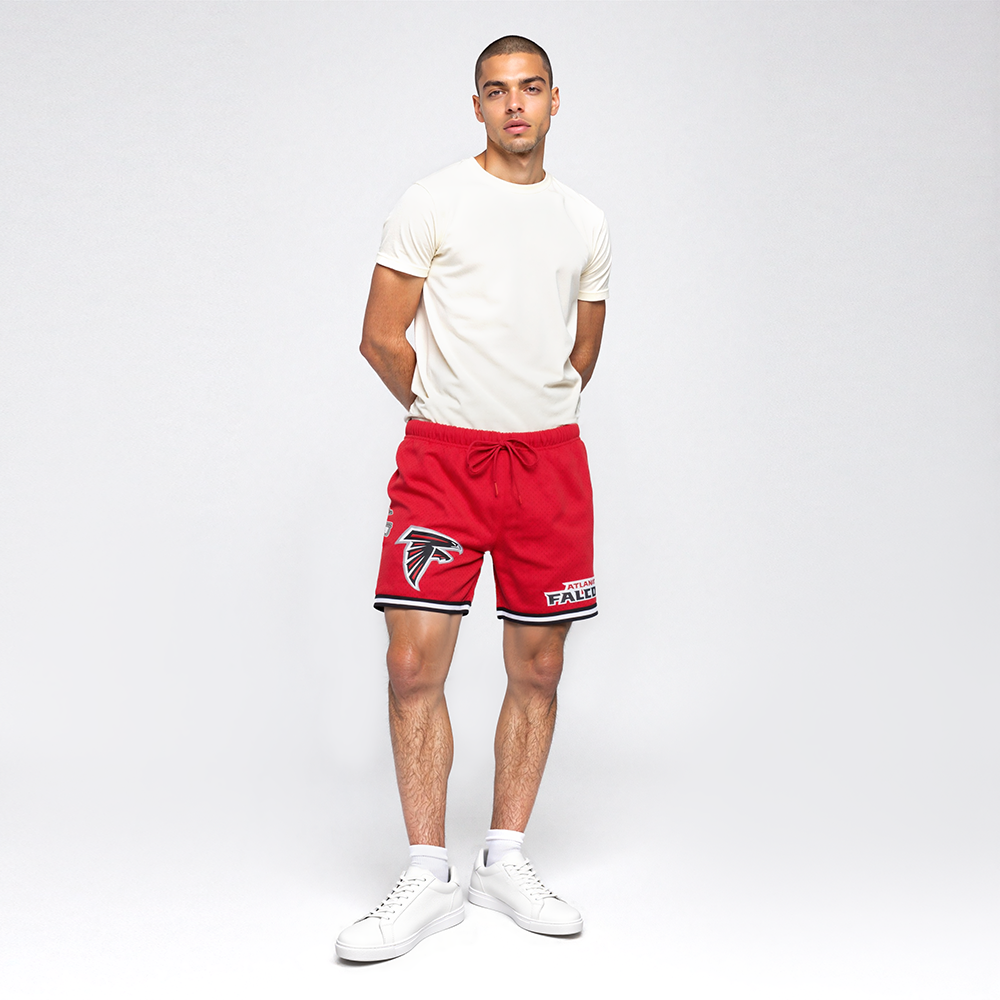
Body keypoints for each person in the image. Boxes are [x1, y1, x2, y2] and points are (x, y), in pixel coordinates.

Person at [335, 34, 611, 962]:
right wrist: (447, 409)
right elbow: (381, 337)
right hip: (444, 462)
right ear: (478, 105)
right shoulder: (432, 201)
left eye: (530, 88)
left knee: (540, 667)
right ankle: (427, 873)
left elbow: (583, 349)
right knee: (413, 664)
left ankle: (504, 859)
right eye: (497, 91)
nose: (515, 104)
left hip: (548, 464)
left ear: (556, 99)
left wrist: (530, 410)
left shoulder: (586, 220)